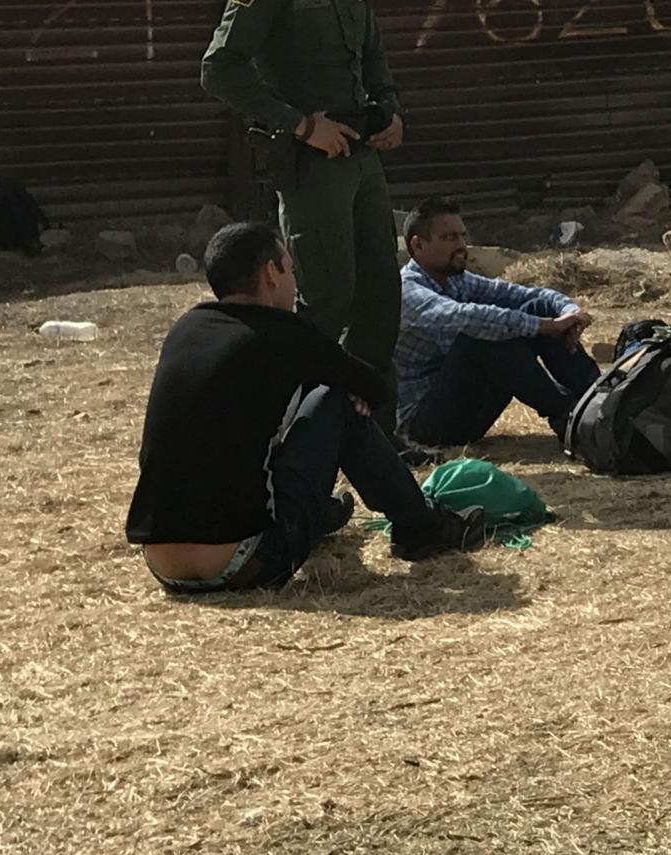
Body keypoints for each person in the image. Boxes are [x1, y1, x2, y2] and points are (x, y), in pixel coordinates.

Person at [125, 221, 490, 594]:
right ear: (271, 273)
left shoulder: (186, 329)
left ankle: (321, 513)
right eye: (291, 269)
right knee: (336, 402)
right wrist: (340, 385)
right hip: (246, 560)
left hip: (162, 563)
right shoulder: (284, 332)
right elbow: (373, 388)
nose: (294, 283)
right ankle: (421, 527)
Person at [202, 0, 405, 422]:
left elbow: (373, 54)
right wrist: (300, 124)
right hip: (311, 163)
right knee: (325, 297)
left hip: (362, 156)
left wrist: (390, 109)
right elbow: (220, 69)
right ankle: (293, 427)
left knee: (379, 297)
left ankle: (373, 432)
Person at [396, 197, 600, 451]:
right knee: (483, 335)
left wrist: (569, 312)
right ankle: (566, 416)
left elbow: (528, 295)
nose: (461, 245)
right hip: (427, 425)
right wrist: (545, 326)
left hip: (470, 406)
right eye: (449, 238)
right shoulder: (407, 289)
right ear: (418, 245)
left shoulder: (457, 280)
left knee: (536, 309)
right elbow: (467, 317)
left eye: (463, 235)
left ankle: (598, 400)